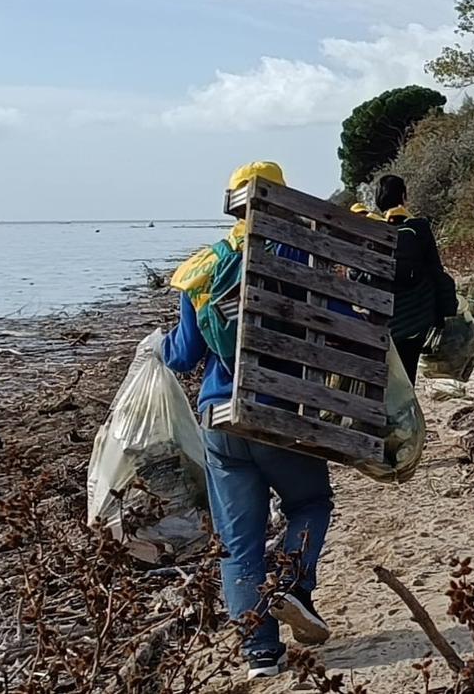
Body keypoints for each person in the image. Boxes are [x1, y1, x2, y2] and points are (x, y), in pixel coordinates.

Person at [164, 161, 334, 680]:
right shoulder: (303, 259)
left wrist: (163, 344)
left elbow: (183, 355)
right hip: (282, 414)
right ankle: (292, 585)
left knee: (239, 540)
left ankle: (260, 651)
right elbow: (340, 331)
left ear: (232, 204)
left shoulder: (203, 267)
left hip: (220, 420)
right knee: (309, 502)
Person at [374, 174, 455, 383]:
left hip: (385, 320)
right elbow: (436, 270)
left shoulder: (373, 231)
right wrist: (444, 314)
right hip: (418, 318)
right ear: (403, 196)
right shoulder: (419, 228)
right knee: (408, 375)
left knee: (385, 378)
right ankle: (405, 412)